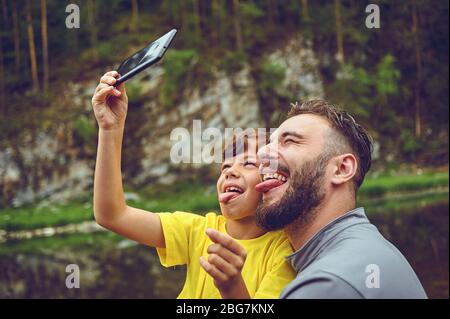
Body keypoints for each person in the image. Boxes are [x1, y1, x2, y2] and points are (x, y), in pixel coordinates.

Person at [91, 71, 295, 299]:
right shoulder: (198, 231)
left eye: (247, 163)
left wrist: (232, 286)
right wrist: (110, 129)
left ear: (271, 180)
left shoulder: (285, 253)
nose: (230, 172)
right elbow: (111, 215)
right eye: (225, 167)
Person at [254, 100, 427, 299]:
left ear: (342, 169)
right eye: (269, 143)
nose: (261, 154)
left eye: (290, 141)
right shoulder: (367, 248)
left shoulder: (326, 284)